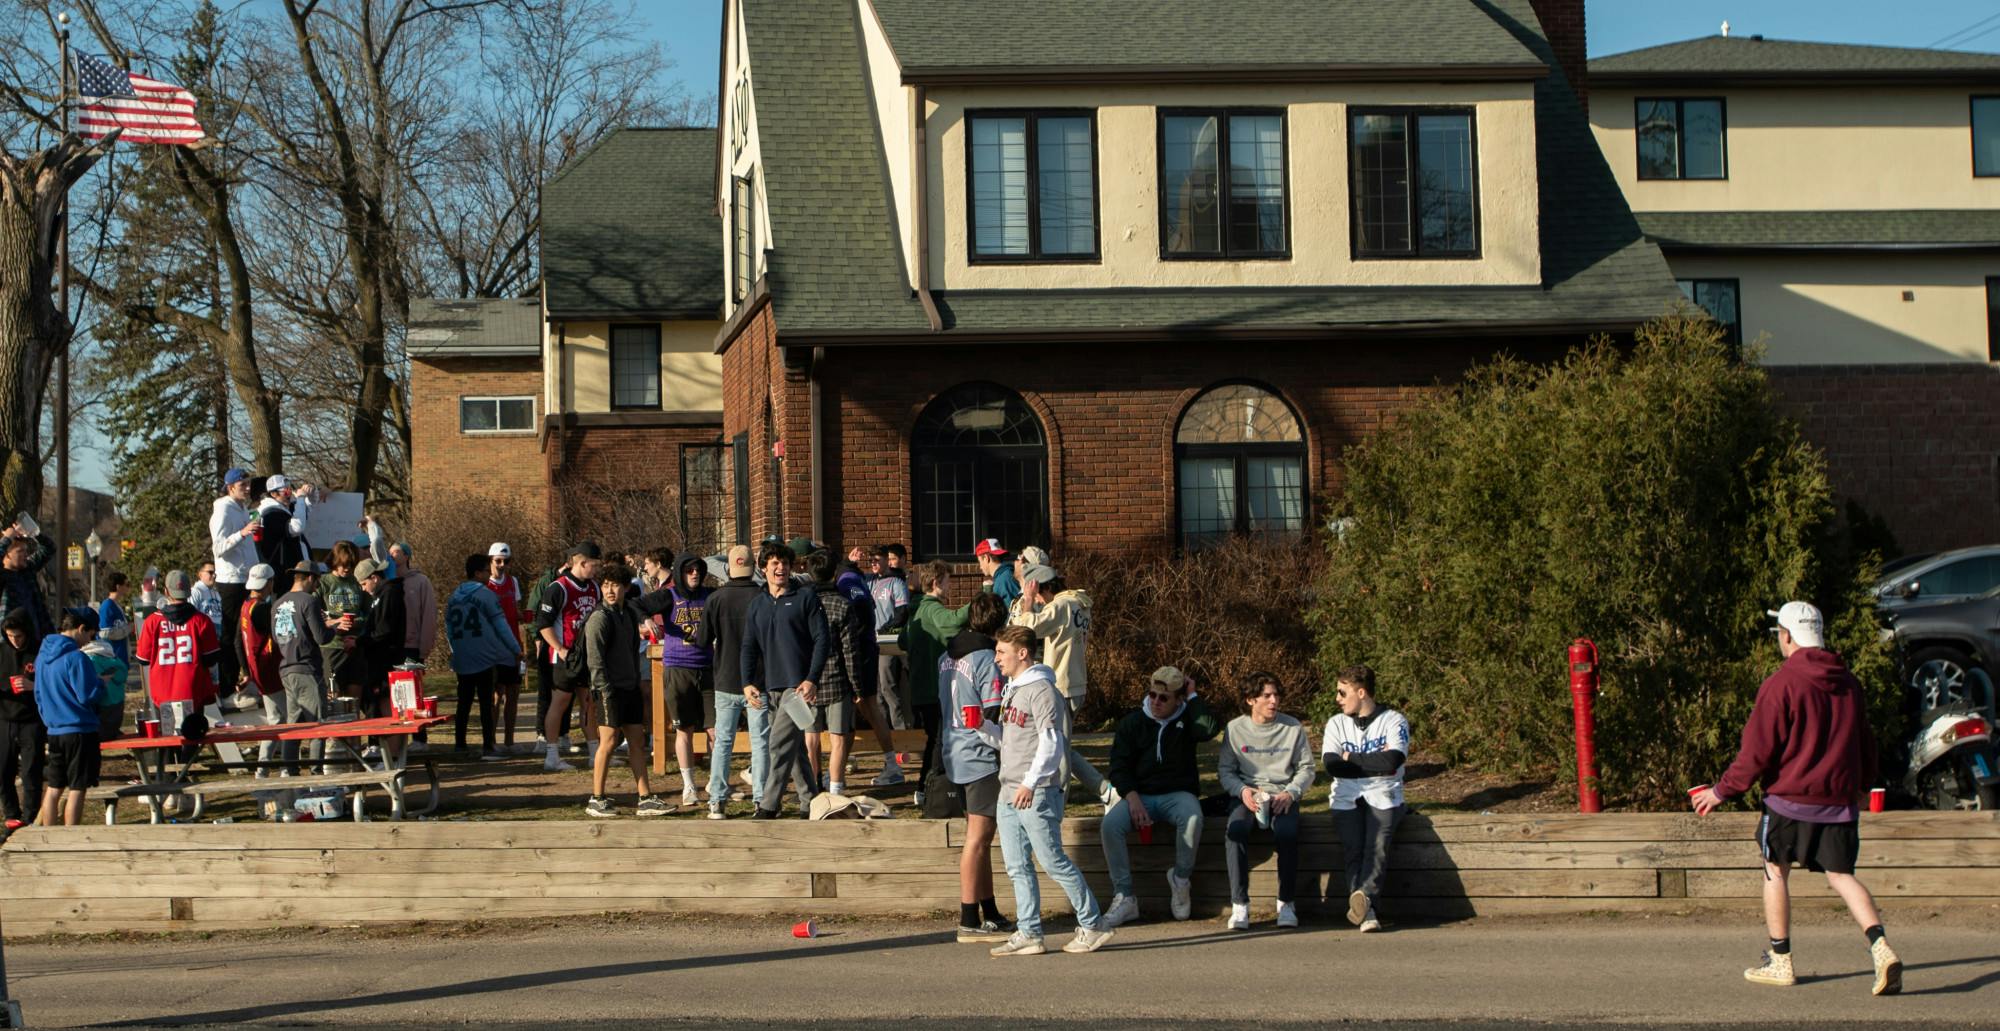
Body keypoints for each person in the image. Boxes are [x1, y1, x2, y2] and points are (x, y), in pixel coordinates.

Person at [1691, 602, 1901, 996]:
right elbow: (1866, 744)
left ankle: (1781, 960)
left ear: (1786, 636)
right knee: (1843, 877)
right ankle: (1882, 948)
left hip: (1787, 803)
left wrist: (1720, 792)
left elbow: (1756, 753)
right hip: (1839, 803)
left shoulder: (1781, 684)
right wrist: (1862, 787)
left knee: (1775, 869)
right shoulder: (1849, 683)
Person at [989, 625, 1112, 956]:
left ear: (1022, 653)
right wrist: (981, 728)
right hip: (1008, 791)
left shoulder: (1042, 690)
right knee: (1017, 866)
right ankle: (1029, 932)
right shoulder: (1013, 689)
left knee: (1052, 860)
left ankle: (1093, 924)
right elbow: (1011, 740)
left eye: (1002, 652)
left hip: (1036, 791)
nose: (997, 658)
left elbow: (1052, 742)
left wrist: (1031, 782)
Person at [1101, 665, 1221, 928]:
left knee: (1192, 817)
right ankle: (1125, 897)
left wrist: (1193, 697)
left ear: (1178, 699)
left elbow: (1209, 729)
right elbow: (1118, 766)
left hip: (1177, 794)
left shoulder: (1188, 718)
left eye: (1164, 698)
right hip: (1139, 794)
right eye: (1152, 695)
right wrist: (1132, 798)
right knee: (1110, 825)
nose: (1155, 702)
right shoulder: (1133, 723)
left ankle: (1180, 881)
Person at [1010, 562, 1112, 808]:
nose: (1040, 603)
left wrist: (1027, 601)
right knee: (1062, 744)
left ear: (1040, 587)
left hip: (1061, 684)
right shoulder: (1079, 602)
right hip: (1075, 681)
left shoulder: (1061, 605)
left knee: (1060, 751)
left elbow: (1026, 629)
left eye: (1038, 595)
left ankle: (1059, 801)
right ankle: (1106, 791)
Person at [940, 591, 1012, 942]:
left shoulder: (947, 654)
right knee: (978, 840)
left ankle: (990, 910)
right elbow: (991, 710)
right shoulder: (987, 658)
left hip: (954, 751)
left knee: (979, 838)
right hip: (979, 754)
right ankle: (969, 918)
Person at [1217, 672, 1314, 931]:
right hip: (1248, 795)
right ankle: (1239, 906)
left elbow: (1307, 768)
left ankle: (1286, 903)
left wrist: (1291, 792)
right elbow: (1225, 771)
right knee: (1235, 832)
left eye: (1276, 695)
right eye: (1266, 696)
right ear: (1250, 700)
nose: (1274, 701)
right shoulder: (1235, 729)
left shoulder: (1292, 727)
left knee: (1288, 833)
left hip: (1282, 795)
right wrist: (1242, 791)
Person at [742, 542, 828, 819]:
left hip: (798, 689)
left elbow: (822, 639)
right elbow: (749, 646)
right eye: (775, 563)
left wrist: (812, 679)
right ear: (763, 568)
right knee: (794, 749)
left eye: (785, 564)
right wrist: (747, 682)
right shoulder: (757, 604)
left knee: (778, 745)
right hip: (772, 688)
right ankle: (810, 801)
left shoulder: (806, 598)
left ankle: (768, 805)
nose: (781, 568)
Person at [1322, 663, 1410, 933]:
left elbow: (1393, 760)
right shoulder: (1336, 723)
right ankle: (1367, 910)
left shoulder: (1394, 720)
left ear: (1361, 692)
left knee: (1378, 846)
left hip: (1385, 793)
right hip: (1346, 795)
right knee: (1354, 849)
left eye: (1341, 692)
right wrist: (1372, 762)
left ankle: (1365, 900)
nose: (1337, 698)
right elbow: (1331, 764)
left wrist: (1351, 758)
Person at [582, 564, 670, 817]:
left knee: (637, 742)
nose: (610, 590)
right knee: (608, 742)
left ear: (626, 588)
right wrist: (605, 690)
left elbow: (633, 645)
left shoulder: (628, 614)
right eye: (606, 584)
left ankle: (645, 797)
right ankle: (596, 798)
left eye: (615, 585)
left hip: (629, 686)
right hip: (609, 690)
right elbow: (595, 661)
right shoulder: (599, 618)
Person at [697, 545, 765, 819]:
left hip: (724, 677)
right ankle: (761, 799)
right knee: (760, 742)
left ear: (729, 569)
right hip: (758, 679)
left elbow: (702, 641)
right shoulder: (762, 597)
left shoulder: (716, 599)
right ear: (754, 567)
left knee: (723, 742)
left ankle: (717, 800)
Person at [901, 560, 967, 803]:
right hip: (934, 687)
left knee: (936, 738)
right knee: (940, 740)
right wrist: (983, 600)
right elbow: (954, 621)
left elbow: (901, 642)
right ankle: (928, 787)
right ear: (937, 583)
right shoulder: (932, 609)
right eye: (948, 582)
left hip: (919, 687)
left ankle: (928, 786)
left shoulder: (916, 610)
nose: (950, 587)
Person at [652, 555, 714, 808]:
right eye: (689, 570)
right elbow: (637, 605)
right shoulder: (669, 595)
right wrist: (646, 620)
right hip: (678, 668)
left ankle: (716, 782)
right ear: (680, 573)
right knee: (684, 729)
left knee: (716, 730)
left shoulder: (709, 595)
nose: (694, 574)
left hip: (708, 668)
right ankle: (689, 786)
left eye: (698, 570)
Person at [534, 542, 603, 772]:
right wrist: (561, 649)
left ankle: (596, 753)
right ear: (582, 563)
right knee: (560, 703)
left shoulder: (595, 587)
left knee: (588, 703)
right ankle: (552, 754)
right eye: (594, 565)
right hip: (563, 658)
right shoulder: (558, 588)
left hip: (586, 657)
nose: (596, 570)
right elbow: (543, 625)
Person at [446, 553, 520, 760]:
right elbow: (501, 626)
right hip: (484, 657)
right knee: (486, 703)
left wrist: (455, 650)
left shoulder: (454, 596)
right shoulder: (486, 595)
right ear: (478, 573)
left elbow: (449, 628)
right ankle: (489, 746)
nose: (490, 574)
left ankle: (460, 745)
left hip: (462, 657)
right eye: (487, 571)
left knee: (464, 703)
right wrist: (515, 649)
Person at [805, 549, 867, 797]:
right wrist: (857, 686)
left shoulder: (802, 603)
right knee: (838, 738)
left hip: (807, 679)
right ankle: (836, 789)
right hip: (837, 679)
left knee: (811, 737)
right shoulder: (842, 605)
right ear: (834, 573)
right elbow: (850, 650)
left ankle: (812, 786)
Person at [35, 608, 103, 827]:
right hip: (80, 730)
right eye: (91, 635)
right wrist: (102, 684)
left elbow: (38, 693)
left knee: (54, 788)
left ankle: (48, 836)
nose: (88, 642)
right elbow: (87, 694)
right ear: (81, 629)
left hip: (54, 730)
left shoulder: (42, 657)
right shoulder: (76, 657)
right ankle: (71, 837)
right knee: (77, 788)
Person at [135, 570, 223, 740]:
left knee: (168, 739)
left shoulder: (153, 621)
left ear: (166, 592)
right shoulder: (202, 620)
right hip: (193, 690)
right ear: (189, 592)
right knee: (192, 739)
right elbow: (211, 658)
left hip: (162, 692)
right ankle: (186, 763)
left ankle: (174, 764)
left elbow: (142, 659)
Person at [272, 562, 334, 775]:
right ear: (310, 578)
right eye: (317, 581)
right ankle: (316, 773)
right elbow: (321, 637)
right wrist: (333, 626)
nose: (317, 585)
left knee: (294, 726)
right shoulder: (309, 601)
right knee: (317, 726)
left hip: (286, 669)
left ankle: (289, 771)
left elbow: (276, 637)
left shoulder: (277, 604)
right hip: (307, 668)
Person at [208, 467, 259, 700]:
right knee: (229, 634)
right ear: (230, 488)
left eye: (248, 484)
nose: (247, 489)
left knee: (246, 631)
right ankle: (227, 688)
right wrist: (243, 532)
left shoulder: (242, 508)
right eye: (243, 486)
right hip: (231, 580)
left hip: (246, 578)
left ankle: (247, 680)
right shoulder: (223, 511)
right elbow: (218, 548)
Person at [238, 565, 285, 768]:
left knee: (278, 719)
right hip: (268, 670)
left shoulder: (245, 606)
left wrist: (245, 671)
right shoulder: (262, 609)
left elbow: (237, 641)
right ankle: (269, 768)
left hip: (257, 669)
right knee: (280, 720)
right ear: (269, 583)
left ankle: (268, 767)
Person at [484, 543, 529, 754]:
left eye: (506, 561)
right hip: (494, 647)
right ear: (490, 561)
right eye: (498, 561)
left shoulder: (513, 582)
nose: (502, 565)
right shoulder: (485, 585)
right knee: (496, 695)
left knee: (513, 693)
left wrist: (528, 617)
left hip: (513, 646)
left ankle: (509, 741)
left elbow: (516, 611)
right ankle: (491, 741)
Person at [0, 609, 42, 829]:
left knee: (30, 772)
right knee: (3, 770)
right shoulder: (2, 651)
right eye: (10, 636)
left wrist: (33, 686)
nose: (15, 640)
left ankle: (30, 817)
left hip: (31, 720)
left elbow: (51, 682)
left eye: (18, 636)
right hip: (5, 718)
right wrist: (8, 686)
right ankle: (11, 815)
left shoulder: (39, 652)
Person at [316, 541, 368, 711]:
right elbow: (312, 616)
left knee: (353, 703)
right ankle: (335, 737)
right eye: (344, 564)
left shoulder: (357, 582)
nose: (347, 569)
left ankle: (354, 737)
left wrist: (359, 626)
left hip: (355, 646)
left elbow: (369, 613)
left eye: (351, 565)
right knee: (334, 701)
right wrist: (334, 623)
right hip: (332, 648)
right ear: (336, 561)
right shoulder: (323, 582)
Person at [870, 543, 914, 730]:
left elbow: (902, 612)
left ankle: (901, 732)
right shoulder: (870, 581)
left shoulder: (896, 583)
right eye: (870, 560)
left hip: (887, 642)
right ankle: (884, 734)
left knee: (888, 687)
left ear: (887, 561)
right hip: (872, 642)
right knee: (877, 692)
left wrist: (885, 630)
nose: (873, 563)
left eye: (877, 560)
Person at [357, 559, 405, 722]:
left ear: (374, 578)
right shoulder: (380, 596)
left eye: (364, 584)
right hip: (378, 658)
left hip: (387, 658)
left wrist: (360, 642)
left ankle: (378, 741)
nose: (363, 589)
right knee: (374, 699)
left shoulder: (390, 593)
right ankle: (378, 741)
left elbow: (384, 629)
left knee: (383, 700)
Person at [0, 519, 57, 637]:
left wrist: (34, 534)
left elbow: (49, 548)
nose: (26, 554)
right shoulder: (3, 575)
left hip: (36, 638)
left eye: (26, 550)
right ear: (7, 554)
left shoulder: (27, 569)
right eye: (20, 551)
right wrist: (6, 540)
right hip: (10, 640)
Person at [253, 474, 313, 573]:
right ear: (273, 494)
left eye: (290, 490)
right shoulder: (271, 513)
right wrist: (301, 498)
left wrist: (311, 488)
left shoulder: (283, 508)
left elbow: (310, 505)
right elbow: (297, 528)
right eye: (285, 492)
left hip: (287, 567)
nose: (289, 494)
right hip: (282, 570)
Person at [394, 543, 438, 666]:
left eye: (396, 552)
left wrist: (424, 648)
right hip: (392, 645)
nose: (391, 555)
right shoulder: (388, 582)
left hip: (412, 646)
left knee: (410, 684)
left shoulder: (421, 581)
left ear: (406, 556)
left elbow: (429, 614)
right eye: (390, 552)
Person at [97, 571, 131, 667]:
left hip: (120, 658)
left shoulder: (116, 605)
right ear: (118, 587)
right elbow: (105, 633)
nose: (128, 587)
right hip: (113, 660)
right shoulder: (107, 606)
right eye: (126, 584)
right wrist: (128, 628)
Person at [975, 538, 1020, 609]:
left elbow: (1015, 612)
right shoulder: (1003, 577)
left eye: (979, 561)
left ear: (986, 558)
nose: (980, 567)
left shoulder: (1005, 579)